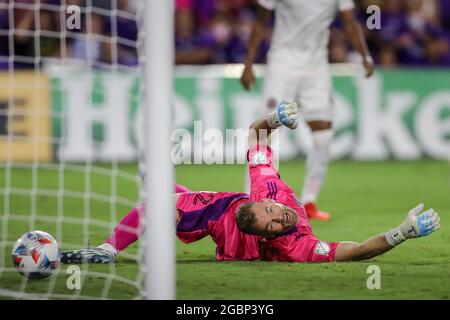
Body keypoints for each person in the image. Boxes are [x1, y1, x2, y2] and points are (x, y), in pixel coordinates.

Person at [61, 100, 440, 264]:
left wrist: (274, 119)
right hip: (223, 215)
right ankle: (108, 249)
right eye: (273, 220)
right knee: (157, 207)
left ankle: (160, 183)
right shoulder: (283, 220)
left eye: (272, 216)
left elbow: (256, 134)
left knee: (170, 201)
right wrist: (400, 234)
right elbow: (356, 251)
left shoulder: (280, 216)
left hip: (227, 214)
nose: (280, 218)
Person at [240, 0, 375, 220]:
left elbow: (350, 22)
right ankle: (251, 198)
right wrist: (248, 64)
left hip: (316, 67)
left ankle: (309, 200)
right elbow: (260, 21)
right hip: (282, 65)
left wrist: (365, 55)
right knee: (265, 133)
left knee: (324, 136)